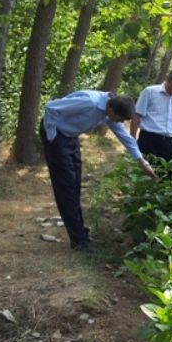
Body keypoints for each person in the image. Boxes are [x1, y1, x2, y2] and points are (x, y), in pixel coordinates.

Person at [39, 91, 157, 250]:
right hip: (57, 136)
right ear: (111, 111)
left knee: (74, 186)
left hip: (71, 136)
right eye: (121, 119)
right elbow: (51, 107)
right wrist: (52, 136)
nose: (120, 122)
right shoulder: (89, 102)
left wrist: (141, 161)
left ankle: (80, 233)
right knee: (66, 188)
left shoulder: (109, 109)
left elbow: (124, 136)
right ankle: (79, 241)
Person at [130, 68, 172, 161]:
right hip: (149, 140)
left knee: (166, 174)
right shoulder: (150, 92)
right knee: (146, 173)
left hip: (169, 144)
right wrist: (132, 142)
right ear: (169, 80)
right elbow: (136, 117)